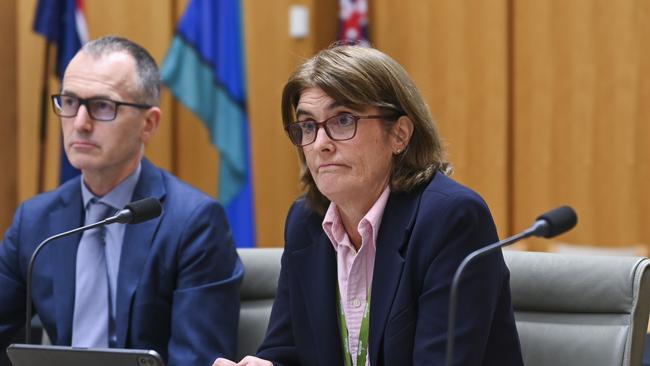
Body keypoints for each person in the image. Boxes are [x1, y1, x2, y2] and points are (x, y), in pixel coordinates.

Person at [214, 45, 523, 366]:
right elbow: (286, 349)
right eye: (308, 126)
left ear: (399, 135)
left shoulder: (451, 220)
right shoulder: (306, 222)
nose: (320, 144)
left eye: (343, 120)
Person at [0, 36, 243, 366]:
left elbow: (197, 359)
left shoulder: (194, 222)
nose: (80, 123)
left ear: (149, 123)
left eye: (102, 106)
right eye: (69, 102)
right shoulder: (35, 221)